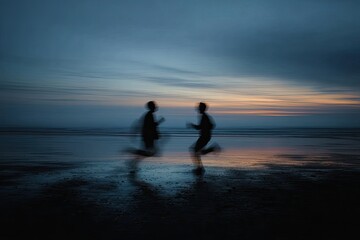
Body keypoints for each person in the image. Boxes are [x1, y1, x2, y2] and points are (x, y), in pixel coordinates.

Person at [187, 102, 220, 175]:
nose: (198, 109)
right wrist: (206, 128)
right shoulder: (204, 116)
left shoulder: (204, 116)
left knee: (195, 150)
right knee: (198, 151)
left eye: (199, 107)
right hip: (205, 136)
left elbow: (201, 127)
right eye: (198, 107)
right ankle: (200, 167)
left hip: (204, 136)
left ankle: (200, 168)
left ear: (202, 108)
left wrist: (192, 125)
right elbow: (211, 125)